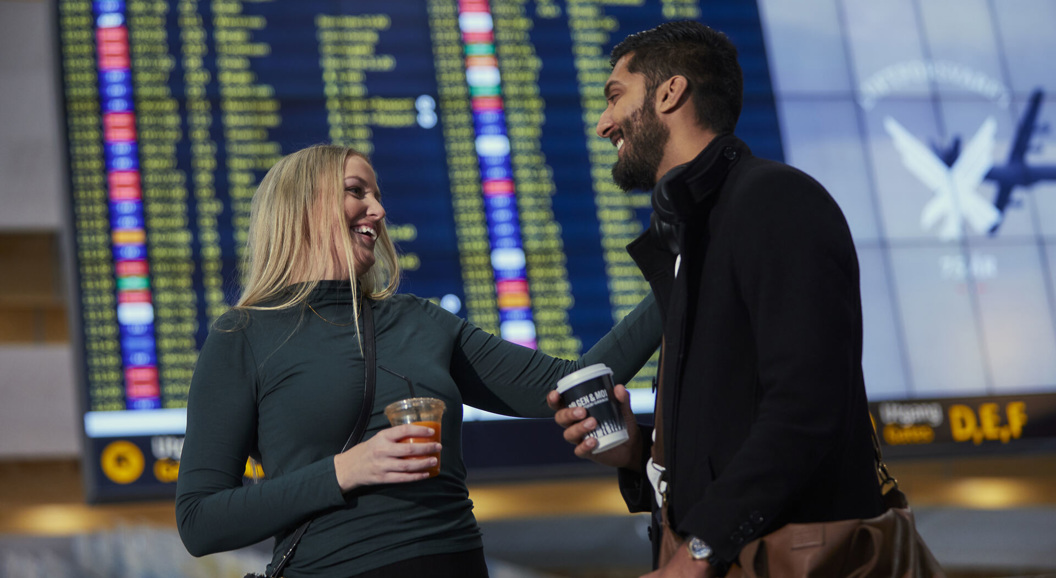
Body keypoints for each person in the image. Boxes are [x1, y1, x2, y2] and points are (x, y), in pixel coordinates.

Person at [175, 144, 662, 577]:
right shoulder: (242, 336)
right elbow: (200, 522)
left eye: (377, 194)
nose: (378, 209)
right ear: (302, 207)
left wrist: (679, 274)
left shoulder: (421, 321)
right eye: (356, 192)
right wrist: (345, 470)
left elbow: (568, 383)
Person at [547, 20, 885, 577]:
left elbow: (807, 408)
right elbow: (733, 426)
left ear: (670, 92)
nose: (603, 122)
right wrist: (640, 451)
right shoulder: (694, 234)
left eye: (614, 97)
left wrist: (701, 549)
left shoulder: (775, 200)